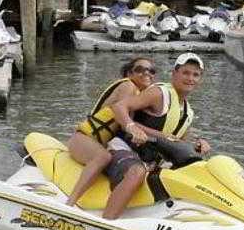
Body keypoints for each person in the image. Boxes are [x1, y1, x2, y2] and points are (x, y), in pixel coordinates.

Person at [102, 53, 211, 220]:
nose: (191, 78)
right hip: (123, 148)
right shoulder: (159, 94)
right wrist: (131, 126)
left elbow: (178, 141)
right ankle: (106, 222)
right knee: (136, 172)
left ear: (200, 79)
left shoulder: (188, 112)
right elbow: (120, 106)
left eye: (196, 75)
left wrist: (198, 144)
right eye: (186, 73)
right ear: (175, 73)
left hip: (150, 161)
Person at [65, 57, 157, 207]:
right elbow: (124, 119)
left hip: (95, 142)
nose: (146, 73)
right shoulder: (128, 86)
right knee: (104, 157)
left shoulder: (139, 96)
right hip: (82, 138)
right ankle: (70, 203)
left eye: (151, 70)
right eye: (140, 69)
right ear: (129, 74)